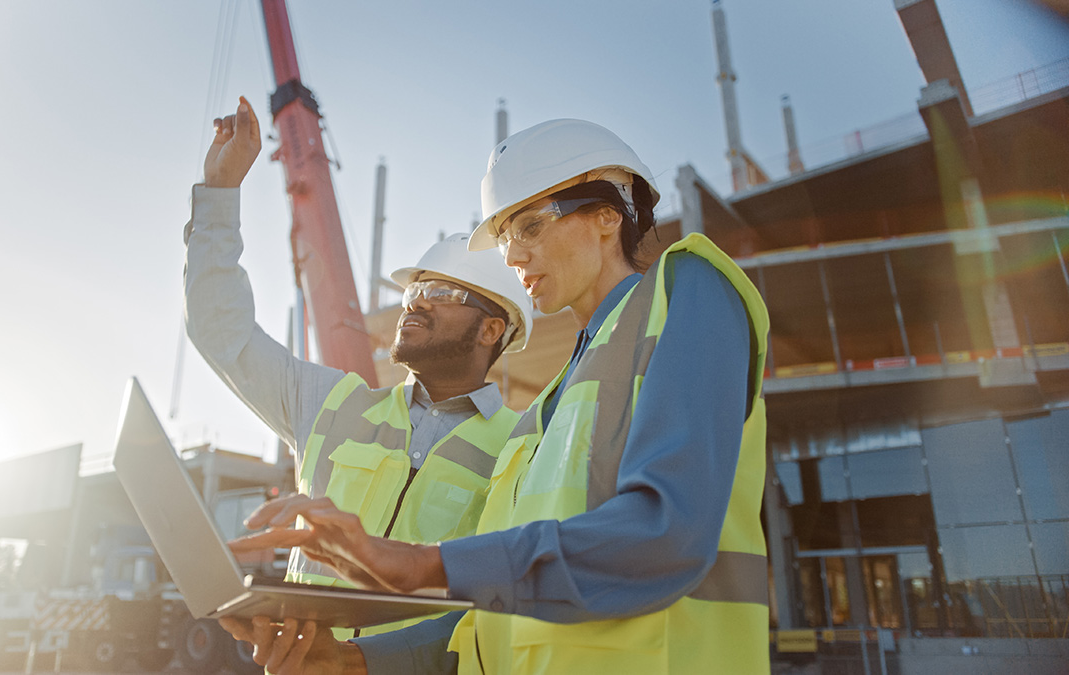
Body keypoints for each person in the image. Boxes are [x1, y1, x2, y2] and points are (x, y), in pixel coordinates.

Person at [228, 118, 772, 674]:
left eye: (530, 227)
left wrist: (421, 564)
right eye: (508, 239)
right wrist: (354, 661)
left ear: (609, 215)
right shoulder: (538, 421)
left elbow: (665, 536)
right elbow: (492, 619)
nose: (513, 257)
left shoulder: (686, 292)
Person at [185, 97, 532, 642]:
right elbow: (218, 329)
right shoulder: (331, 403)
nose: (413, 303)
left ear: (492, 330)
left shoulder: (526, 445)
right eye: (414, 289)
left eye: (440, 291)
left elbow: (510, 598)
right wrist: (220, 195)